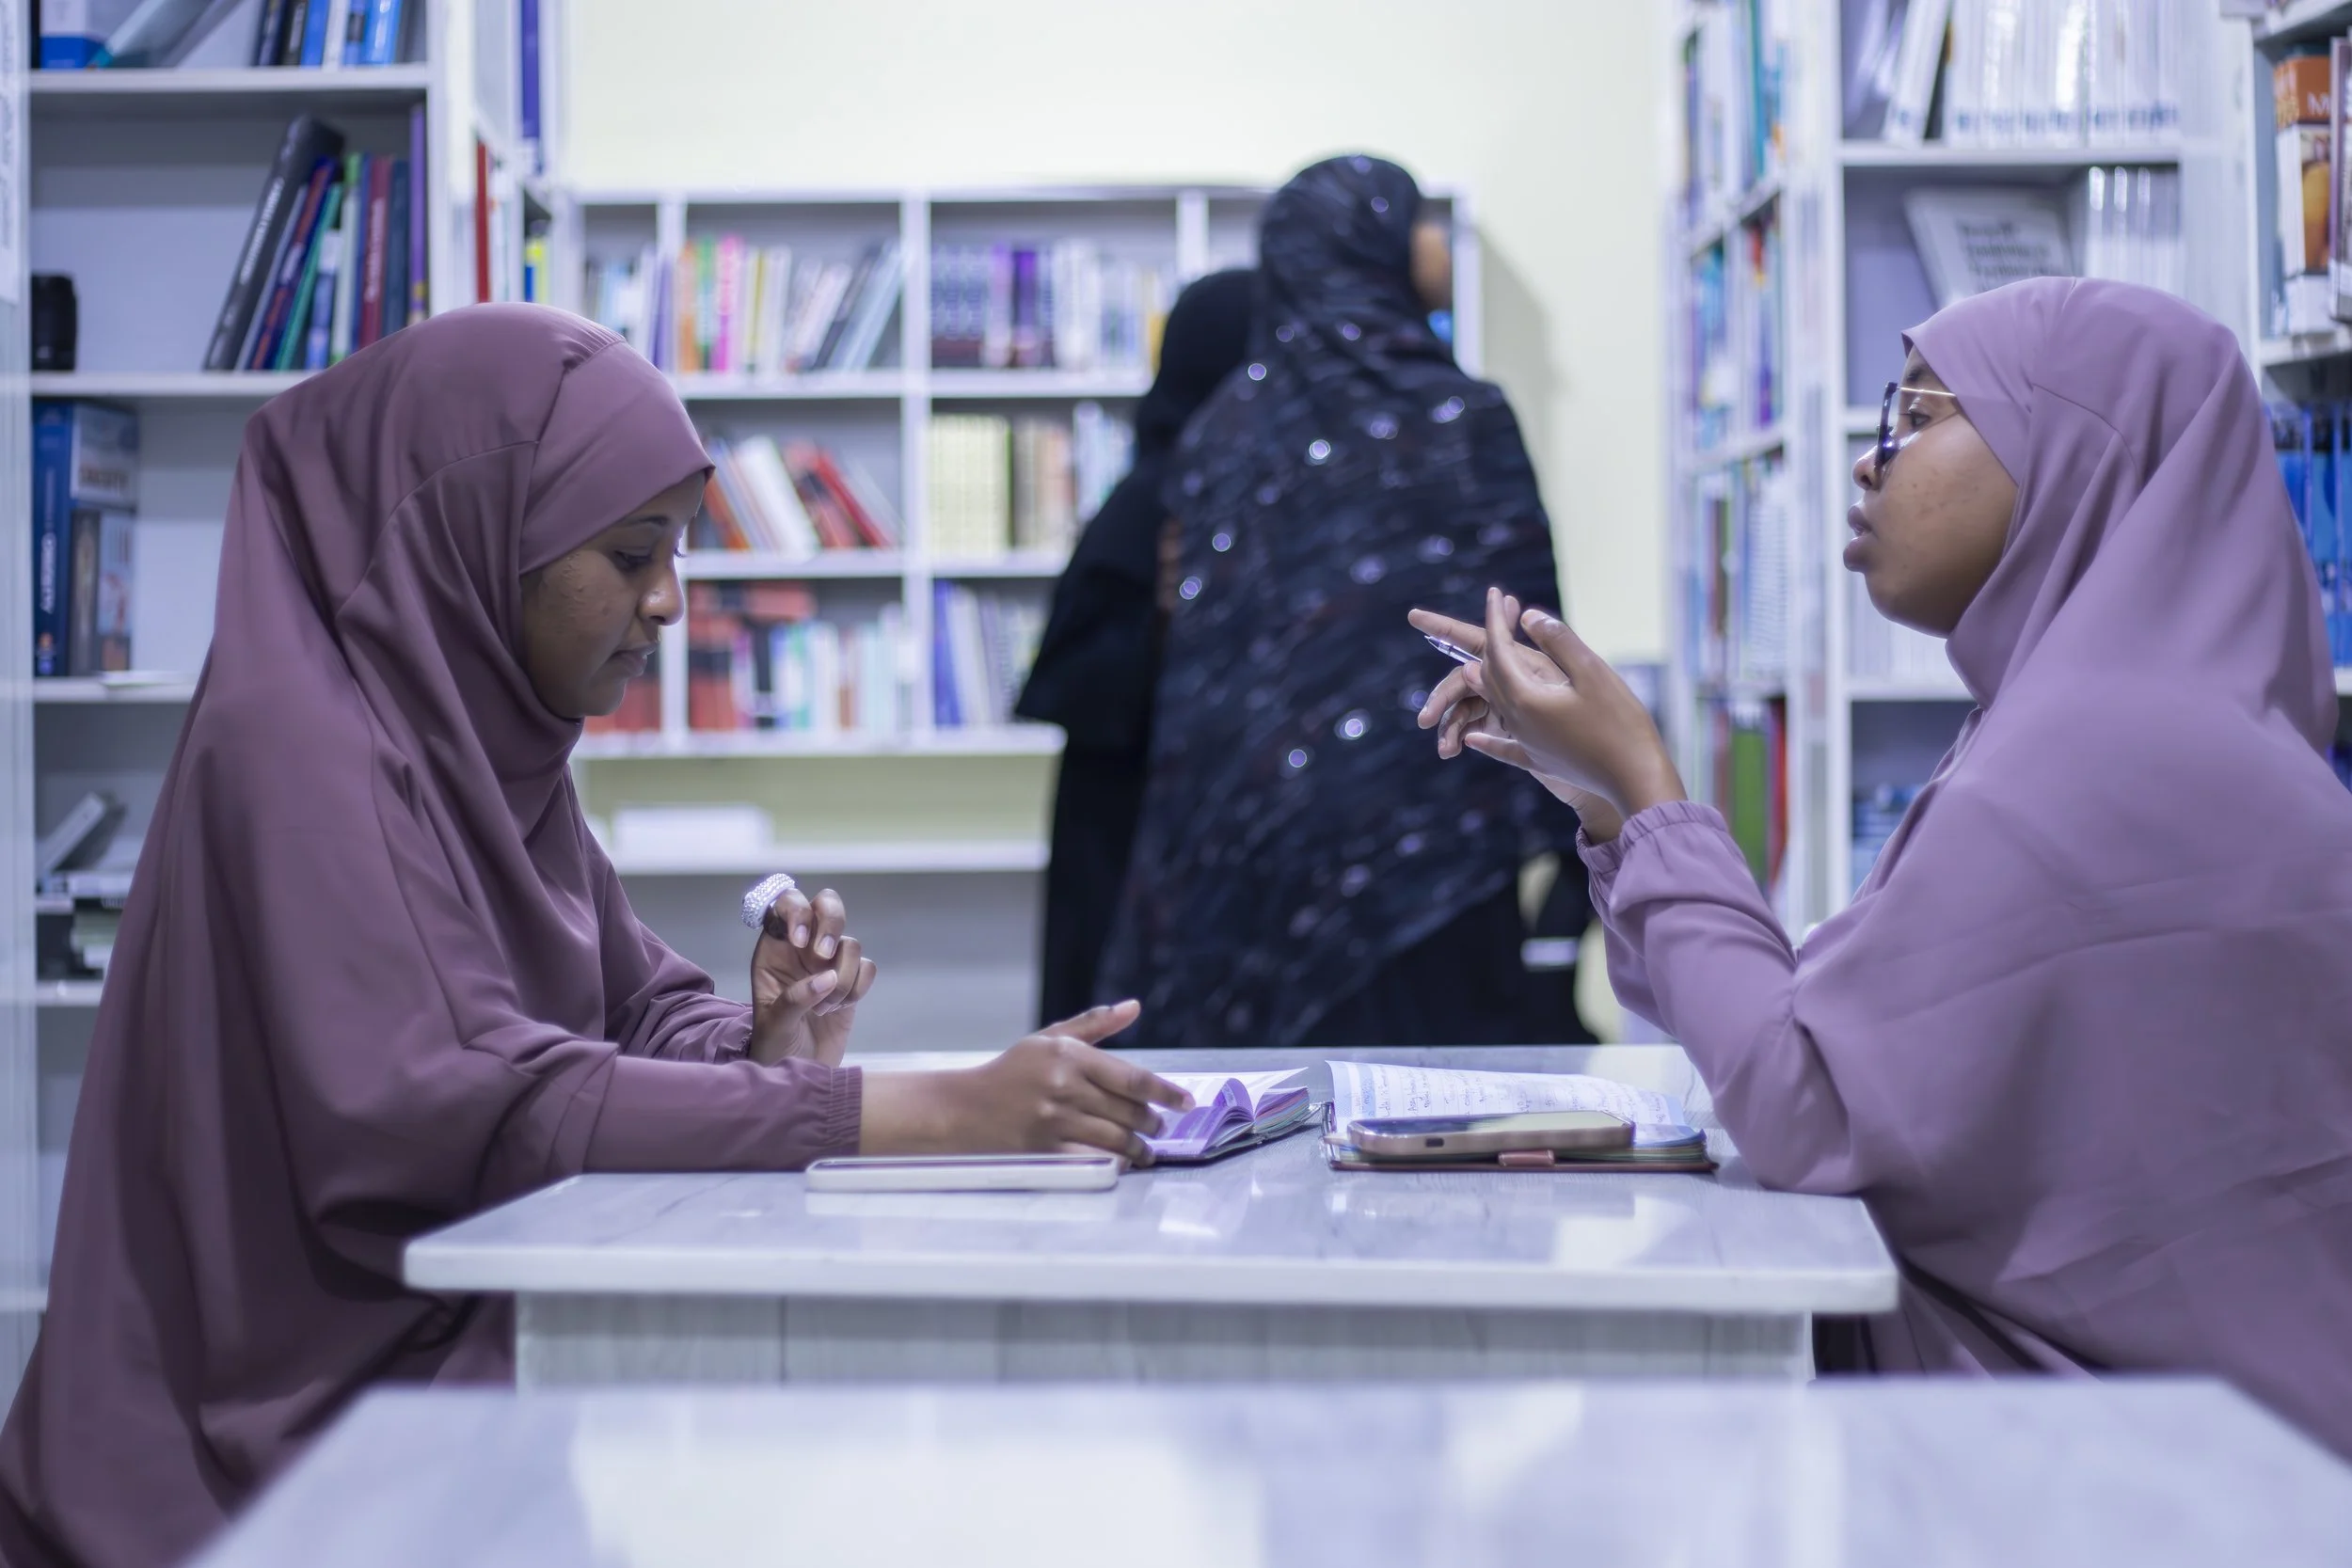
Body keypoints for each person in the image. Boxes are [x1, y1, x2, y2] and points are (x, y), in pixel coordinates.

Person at [0, 306, 1191, 1568]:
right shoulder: (303, 756)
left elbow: (624, 1007)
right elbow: (482, 1103)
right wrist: (940, 1112)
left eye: (675, 550)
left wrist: (762, 1032)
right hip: (266, 1470)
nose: (670, 601)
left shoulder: (483, 734)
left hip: (439, 1391)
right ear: (476, 538)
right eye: (631, 553)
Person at [1412, 277, 2352, 1458]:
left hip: (2101, 1466)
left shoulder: (2094, 758)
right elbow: (1821, 1029)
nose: (1872, 464)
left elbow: (1804, 1100)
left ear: (2079, 454)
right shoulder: (2151, 731)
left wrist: (1649, 790)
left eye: (1917, 416)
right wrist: (1613, 806)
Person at [1098, 155, 1564, 1049]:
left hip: (1291, 840)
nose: (1433, 241)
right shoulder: (1463, 417)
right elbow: (1535, 635)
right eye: (1415, 219)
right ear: (1369, 244)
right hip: (1435, 831)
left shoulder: (1218, 434)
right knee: (1442, 1129)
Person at [1015, 269, 1256, 1025]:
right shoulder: (1152, 500)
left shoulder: (1236, 491)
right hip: (1125, 846)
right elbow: (1074, 682)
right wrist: (1162, 621)